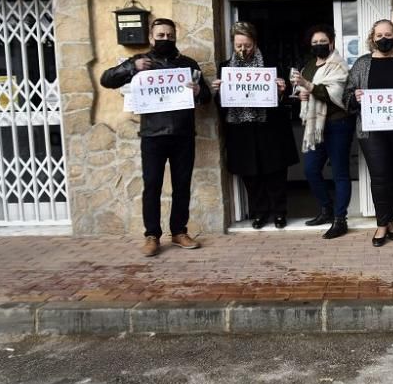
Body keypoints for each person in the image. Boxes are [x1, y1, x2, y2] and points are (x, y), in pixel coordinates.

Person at [100, 17, 212, 257]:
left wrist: (199, 91)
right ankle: (152, 236)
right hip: (152, 135)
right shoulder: (140, 62)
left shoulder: (188, 64)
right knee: (152, 186)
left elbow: (207, 99)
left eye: (169, 35)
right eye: (160, 35)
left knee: (182, 186)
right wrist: (132, 68)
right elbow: (106, 79)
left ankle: (179, 231)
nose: (165, 39)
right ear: (151, 37)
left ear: (175, 36)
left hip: (183, 134)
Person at [343, 20, 393, 246]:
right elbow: (346, 97)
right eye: (379, 35)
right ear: (372, 38)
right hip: (372, 132)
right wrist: (356, 98)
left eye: (387, 34)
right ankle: (382, 225)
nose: (383, 39)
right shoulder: (362, 64)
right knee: (380, 175)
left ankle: (389, 222)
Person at [211, 21, 297, 230]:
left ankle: (279, 212)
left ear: (255, 43)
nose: (243, 50)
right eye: (239, 46)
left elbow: (288, 100)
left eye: (247, 45)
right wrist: (218, 92)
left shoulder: (272, 64)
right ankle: (260, 213)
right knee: (250, 174)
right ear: (233, 44)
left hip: (269, 127)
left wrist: (281, 90)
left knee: (274, 173)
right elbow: (221, 106)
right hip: (241, 129)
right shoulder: (224, 68)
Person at [291, 24, 354, 239]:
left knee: (340, 173)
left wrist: (307, 86)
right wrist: (301, 94)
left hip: (338, 124)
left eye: (323, 42)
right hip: (314, 126)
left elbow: (332, 94)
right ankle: (326, 210)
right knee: (310, 170)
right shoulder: (308, 66)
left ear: (332, 42)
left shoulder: (338, 66)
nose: (319, 45)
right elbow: (305, 90)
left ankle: (340, 219)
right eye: (315, 43)